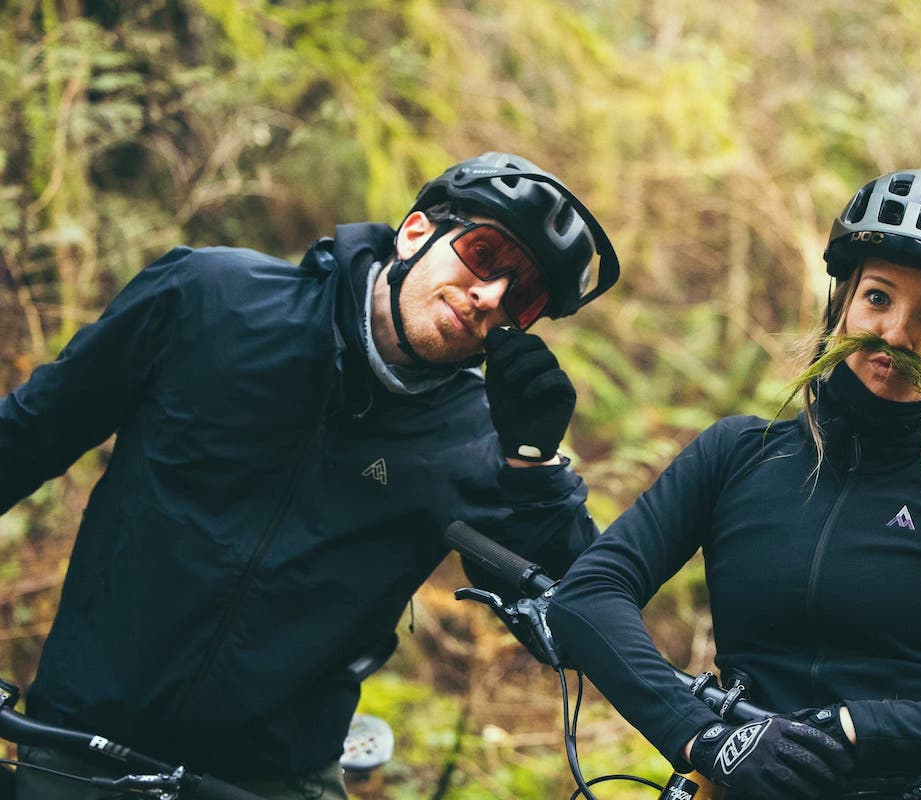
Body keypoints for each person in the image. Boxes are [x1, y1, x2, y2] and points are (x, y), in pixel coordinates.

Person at [1, 151, 619, 799]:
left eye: (523, 295)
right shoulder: (208, 298)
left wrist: (535, 463)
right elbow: (26, 436)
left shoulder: (475, 438)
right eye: (484, 254)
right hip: (77, 746)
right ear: (415, 233)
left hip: (269, 780)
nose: (491, 295)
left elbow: (573, 625)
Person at [547, 169, 921, 799]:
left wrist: (859, 727)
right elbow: (586, 595)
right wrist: (706, 738)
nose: (894, 334)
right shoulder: (736, 453)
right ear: (841, 301)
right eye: (879, 297)